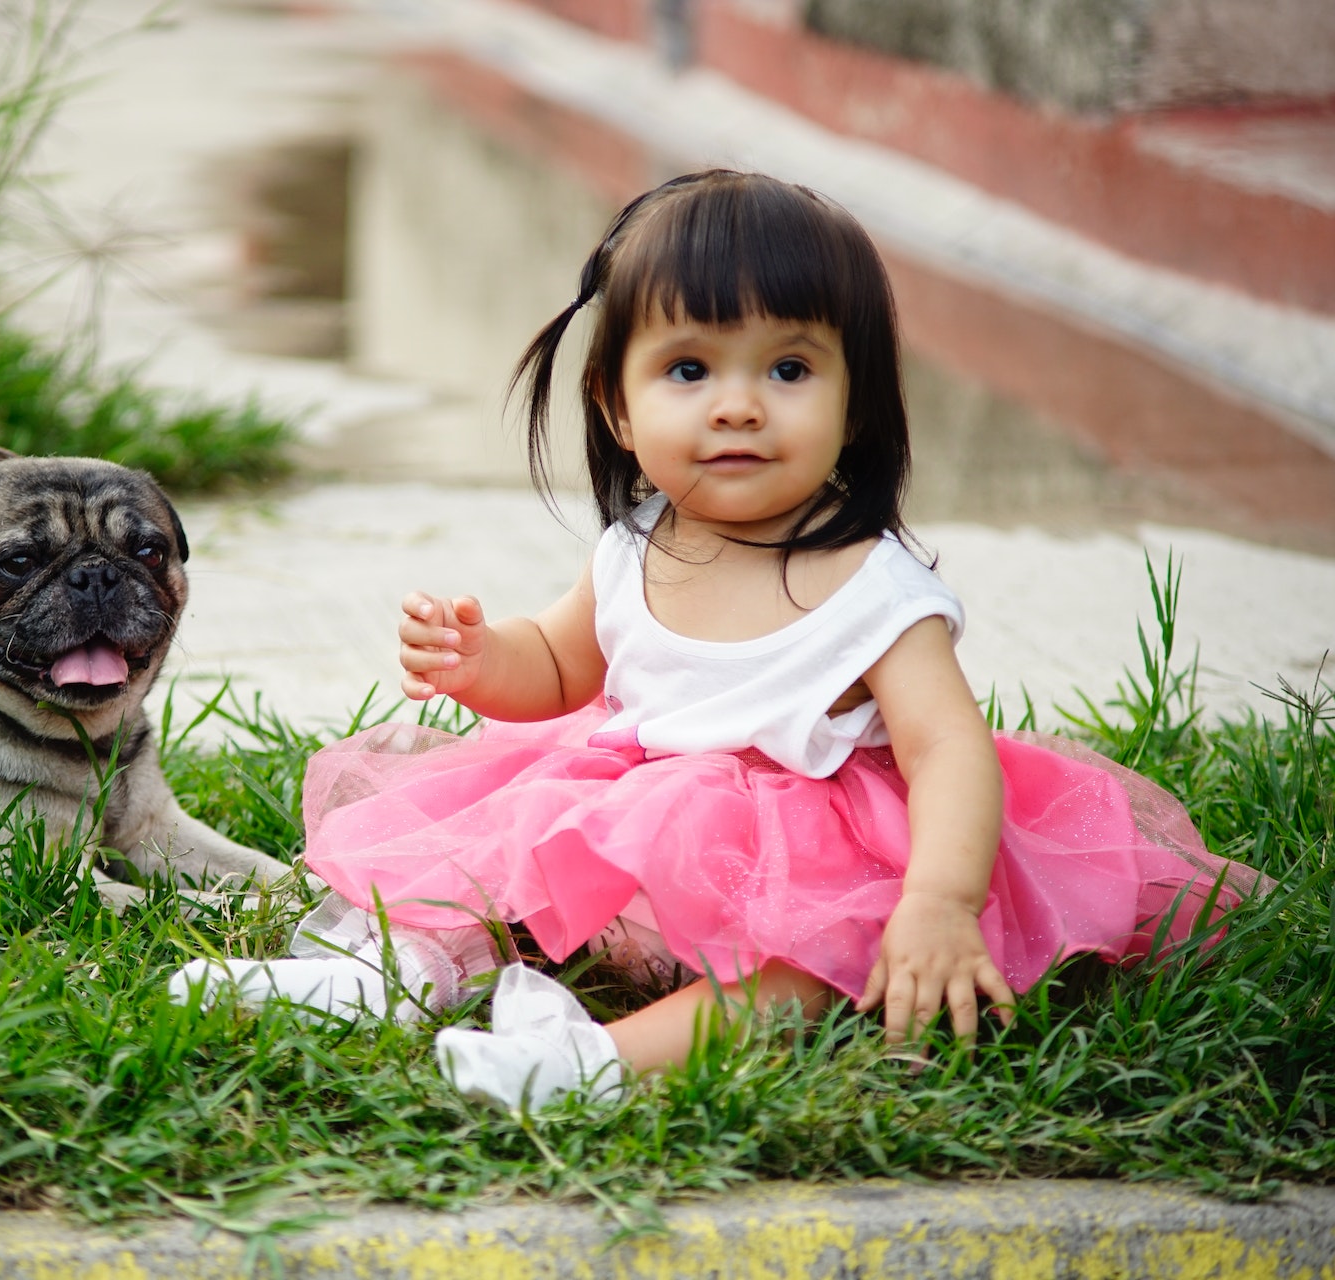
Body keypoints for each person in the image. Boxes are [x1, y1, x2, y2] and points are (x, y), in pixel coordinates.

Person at [169, 170, 1261, 1112]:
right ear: (618, 408)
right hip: (638, 831)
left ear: (857, 406)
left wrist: (937, 898)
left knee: (811, 970)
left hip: (810, 859)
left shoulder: (873, 585)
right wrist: (479, 660)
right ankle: (388, 967)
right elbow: (557, 665)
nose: (739, 406)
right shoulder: (635, 545)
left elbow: (947, 750)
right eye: (690, 370)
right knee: (496, 853)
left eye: (788, 370)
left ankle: (589, 1062)